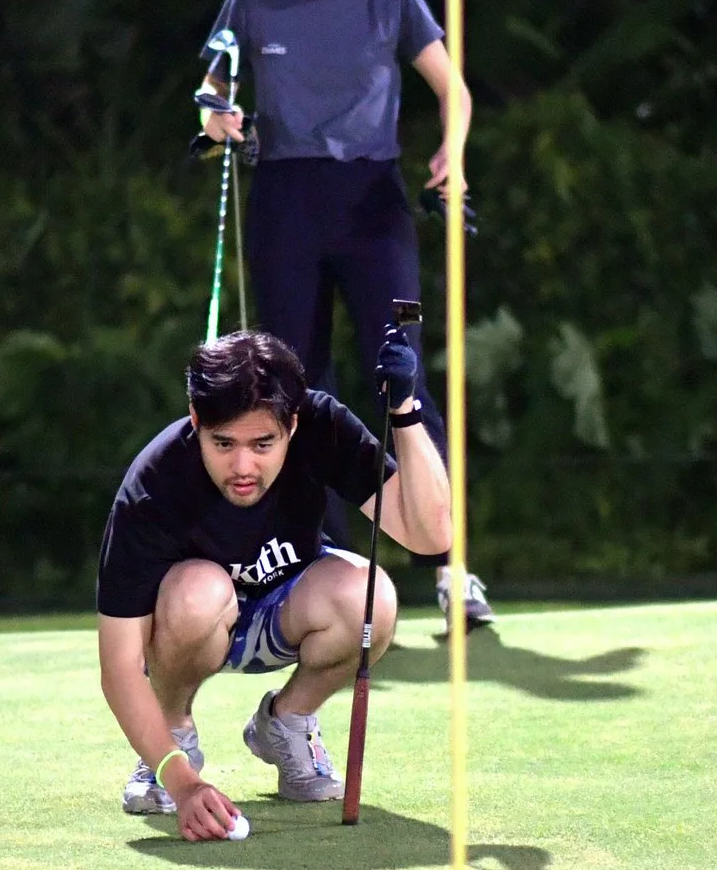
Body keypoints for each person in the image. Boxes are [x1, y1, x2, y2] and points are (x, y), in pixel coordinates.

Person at [196, 0, 495, 629]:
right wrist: (217, 118)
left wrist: (451, 154)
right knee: (295, 384)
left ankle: (447, 564)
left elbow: (452, 91)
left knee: (401, 371)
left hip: (372, 202)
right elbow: (214, 87)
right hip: (287, 199)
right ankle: (317, 563)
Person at [95, 327, 451, 842]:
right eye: (224, 444)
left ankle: (287, 721)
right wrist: (184, 782)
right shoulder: (154, 483)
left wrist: (406, 413)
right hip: (193, 619)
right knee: (200, 591)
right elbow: (119, 668)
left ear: (293, 424)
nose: (243, 467)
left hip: (289, 607)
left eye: (263, 444)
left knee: (371, 597)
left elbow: (431, 533)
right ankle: (171, 737)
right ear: (196, 421)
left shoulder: (322, 426)